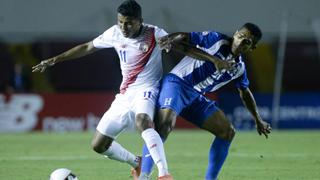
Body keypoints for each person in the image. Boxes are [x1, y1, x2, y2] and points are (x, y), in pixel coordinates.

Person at [32, 0, 173, 179]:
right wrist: (54, 60)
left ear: (140, 21)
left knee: (143, 122)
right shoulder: (114, 33)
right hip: (124, 95)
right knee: (99, 145)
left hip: (148, 89)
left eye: (129, 22)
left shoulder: (155, 33)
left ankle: (163, 173)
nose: (124, 26)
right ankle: (136, 162)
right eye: (120, 21)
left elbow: (179, 44)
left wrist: (175, 46)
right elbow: (87, 47)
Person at [136, 23, 272, 180]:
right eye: (241, 36)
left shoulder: (239, 68)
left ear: (252, 47)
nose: (241, 42)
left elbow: (245, 92)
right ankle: (144, 176)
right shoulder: (216, 39)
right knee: (165, 124)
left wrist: (258, 119)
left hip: (195, 96)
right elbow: (186, 36)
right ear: (235, 34)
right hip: (177, 84)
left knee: (227, 132)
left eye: (247, 41)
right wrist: (170, 38)